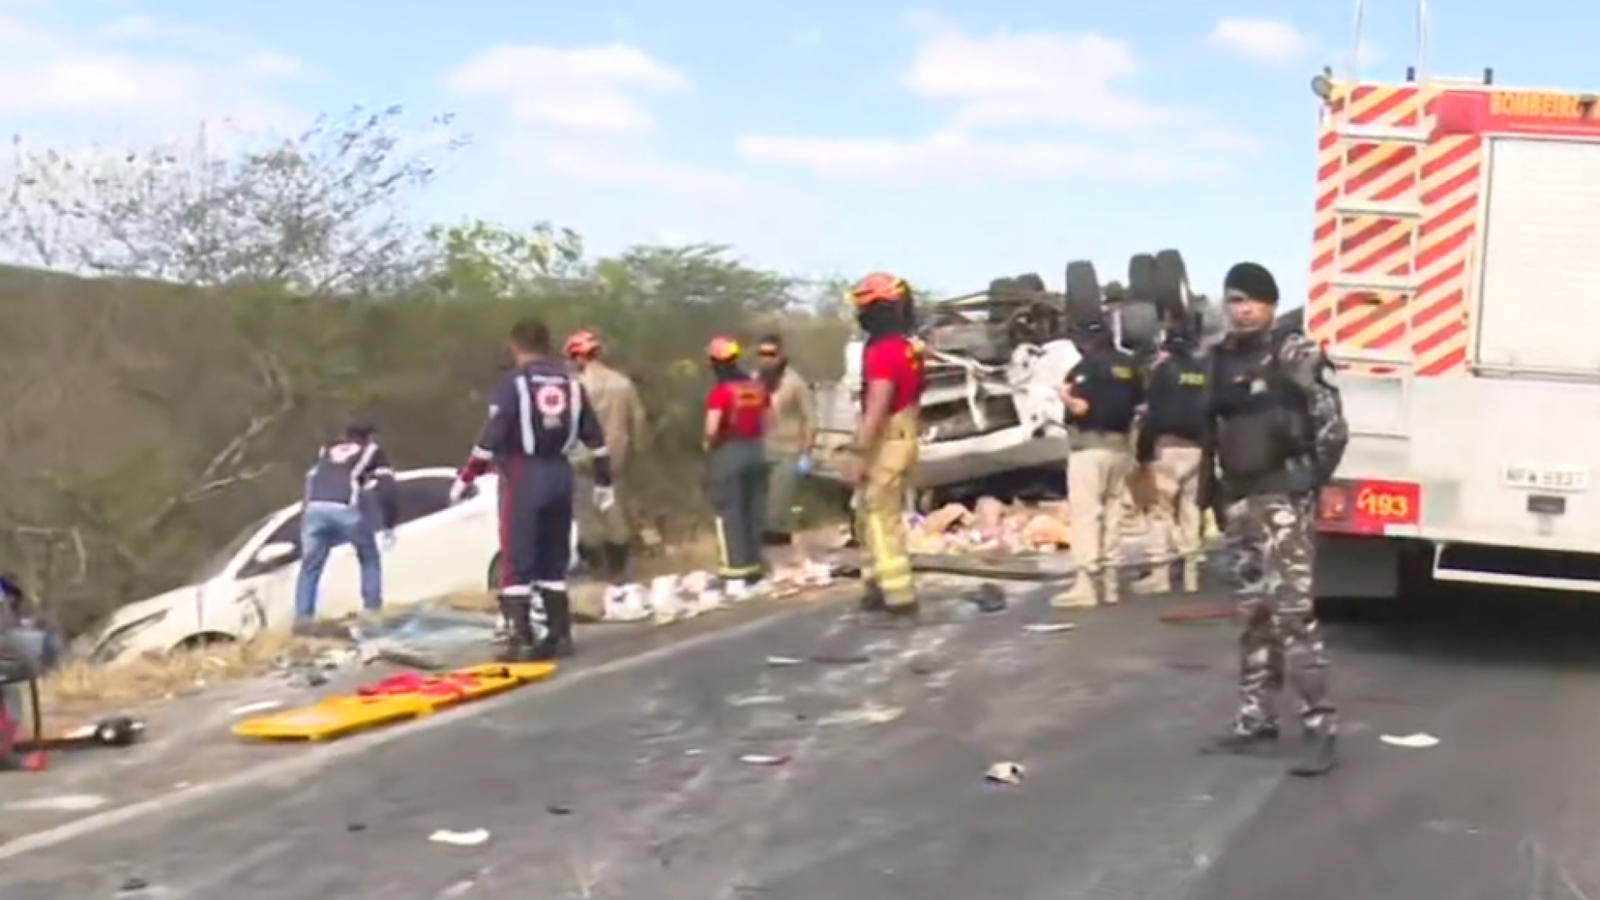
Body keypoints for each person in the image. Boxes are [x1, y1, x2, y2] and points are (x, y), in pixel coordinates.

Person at [1200, 262, 1348, 777]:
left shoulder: (1296, 353)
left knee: (1293, 616)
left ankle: (1319, 730)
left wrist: (1308, 482)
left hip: (1283, 500)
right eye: (1233, 300)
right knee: (1254, 615)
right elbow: (1212, 431)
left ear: (1269, 303)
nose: (1241, 309)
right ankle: (1254, 720)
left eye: (1251, 301)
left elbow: (1332, 427)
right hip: (1240, 502)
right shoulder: (1218, 359)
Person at [453, 319, 614, 662]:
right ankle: (559, 634)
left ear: (515, 347)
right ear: (549, 345)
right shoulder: (572, 384)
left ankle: (521, 638)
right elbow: (596, 438)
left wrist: (468, 475)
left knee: (517, 555)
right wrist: (604, 480)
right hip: (561, 472)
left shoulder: (513, 384)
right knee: (553, 558)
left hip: (523, 472)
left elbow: (493, 433)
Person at [843, 272, 925, 620]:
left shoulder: (881, 351)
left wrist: (858, 452)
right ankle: (875, 584)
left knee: (878, 513)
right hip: (905, 434)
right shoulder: (909, 348)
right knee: (868, 512)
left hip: (887, 439)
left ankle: (898, 595)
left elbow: (878, 402)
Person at [1054, 318, 1143, 608]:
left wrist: (1064, 394)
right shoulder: (1129, 366)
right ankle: (1112, 583)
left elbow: (1082, 407)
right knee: (1114, 512)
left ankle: (1086, 585)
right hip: (1120, 449)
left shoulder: (1086, 367)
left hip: (1090, 448)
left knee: (1086, 514)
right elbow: (1140, 405)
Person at [293, 422, 397, 630]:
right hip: (344, 507)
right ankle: (372, 610)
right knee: (368, 556)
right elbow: (387, 488)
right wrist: (388, 524)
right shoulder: (371, 450)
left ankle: (303, 618)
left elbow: (311, 478)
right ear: (369, 437)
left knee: (310, 566)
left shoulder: (326, 449)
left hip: (314, 508)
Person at [1131, 323, 1209, 595]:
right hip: (1198, 450)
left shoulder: (1163, 371)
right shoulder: (1204, 371)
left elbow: (1152, 413)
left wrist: (1143, 454)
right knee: (1191, 510)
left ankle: (1160, 576)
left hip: (1168, 448)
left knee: (1160, 513)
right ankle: (1191, 576)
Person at [565, 330, 647, 583]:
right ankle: (619, 573)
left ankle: (598, 572)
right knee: (615, 513)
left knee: (586, 516)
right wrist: (636, 449)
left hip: (584, 459)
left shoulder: (576, 386)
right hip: (617, 459)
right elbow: (639, 419)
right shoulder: (622, 383)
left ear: (578, 356)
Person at [702, 337, 771, 597]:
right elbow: (768, 419)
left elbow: (712, 428)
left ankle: (734, 574)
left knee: (729, 513)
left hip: (729, 451)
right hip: (756, 450)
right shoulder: (756, 387)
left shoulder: (721, 391)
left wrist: (708, 448)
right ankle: (754, 572)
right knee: (753, 511)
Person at [754, 334, 816, 546]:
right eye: (761, 354)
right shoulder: (754, 381)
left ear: (781, 356)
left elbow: (810, 419)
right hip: (759, 449)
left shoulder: (795, 383)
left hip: (788, 452)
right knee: (756, 509)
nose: (766, 359)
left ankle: (783, 557)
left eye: (771, 354)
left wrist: (806, 455)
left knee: (777, 512)